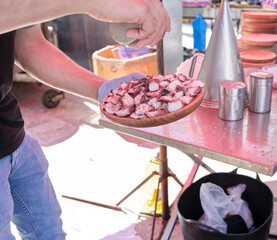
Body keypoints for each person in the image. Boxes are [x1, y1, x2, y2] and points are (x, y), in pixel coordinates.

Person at [0, 1, 171, 239]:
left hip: (13, 133)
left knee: (49, 233)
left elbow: (28, 46)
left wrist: (104, 92)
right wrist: (92, 3)